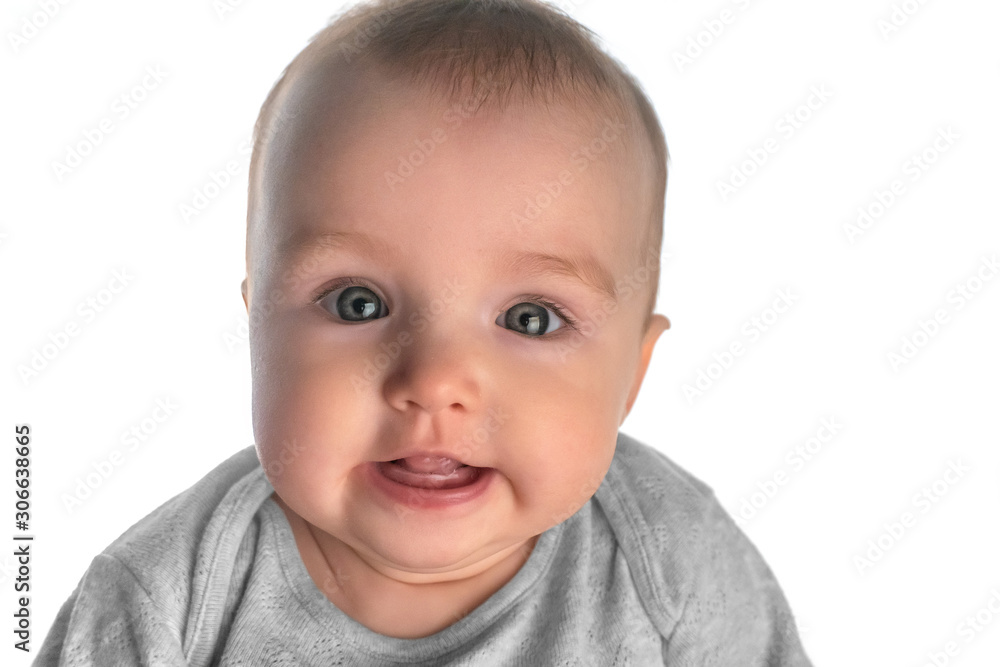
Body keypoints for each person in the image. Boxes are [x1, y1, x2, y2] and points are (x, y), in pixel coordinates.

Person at [36, 0, 813, 663]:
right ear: (258, 332)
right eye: (356, 303)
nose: (436, 379)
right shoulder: (169, 600)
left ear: (632, 375)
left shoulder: (672, 559)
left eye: (529, 318)